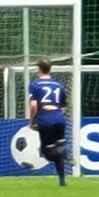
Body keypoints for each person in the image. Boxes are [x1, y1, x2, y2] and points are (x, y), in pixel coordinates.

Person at [28, 58, 70, 186]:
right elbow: (63, 108)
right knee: (57, 150)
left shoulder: (35, 85)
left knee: (46, 152)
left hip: (45, 121)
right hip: (59, 120)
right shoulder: (58, 85)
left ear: (39, 69)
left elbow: (34, 106)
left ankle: (61, 153)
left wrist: (32, 120)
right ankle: (62, 180)